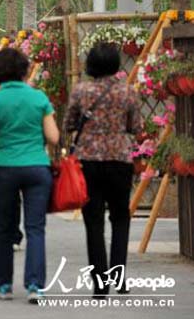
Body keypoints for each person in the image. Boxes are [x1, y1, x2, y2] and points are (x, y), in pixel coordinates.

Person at [0, 47, 59, 303]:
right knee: (35, 228)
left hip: (6, 168)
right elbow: (54, 137)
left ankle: (4, 285)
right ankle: (35, 285)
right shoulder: (39, 98)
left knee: (3, 228)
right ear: (24, 70)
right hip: (37, 168)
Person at [65, 42, 141, 298]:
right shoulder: (128, 92)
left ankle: (100, 284)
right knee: (120, 218)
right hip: (120, 159)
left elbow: (69, 124)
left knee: (93, 221)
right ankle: (119, 278)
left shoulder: (81, 91)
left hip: (88, 161)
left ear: (91, 64)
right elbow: (135, 127)